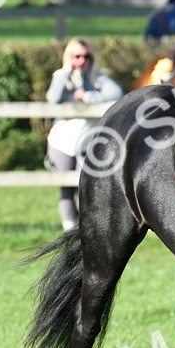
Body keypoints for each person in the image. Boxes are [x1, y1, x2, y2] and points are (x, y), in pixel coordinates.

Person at [45, 38, 124, 230]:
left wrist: (88, 96)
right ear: (69, 57)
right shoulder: (61, 76)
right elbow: (52, 98)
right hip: (62, 140)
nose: (82, 61)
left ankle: (84, 230)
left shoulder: (98, 76)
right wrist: (67, 72)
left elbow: (117, 93)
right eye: (77, 56)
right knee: (66, 189)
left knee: (86, 187)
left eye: (86, 56)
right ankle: (69, 232)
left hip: (87, 140)